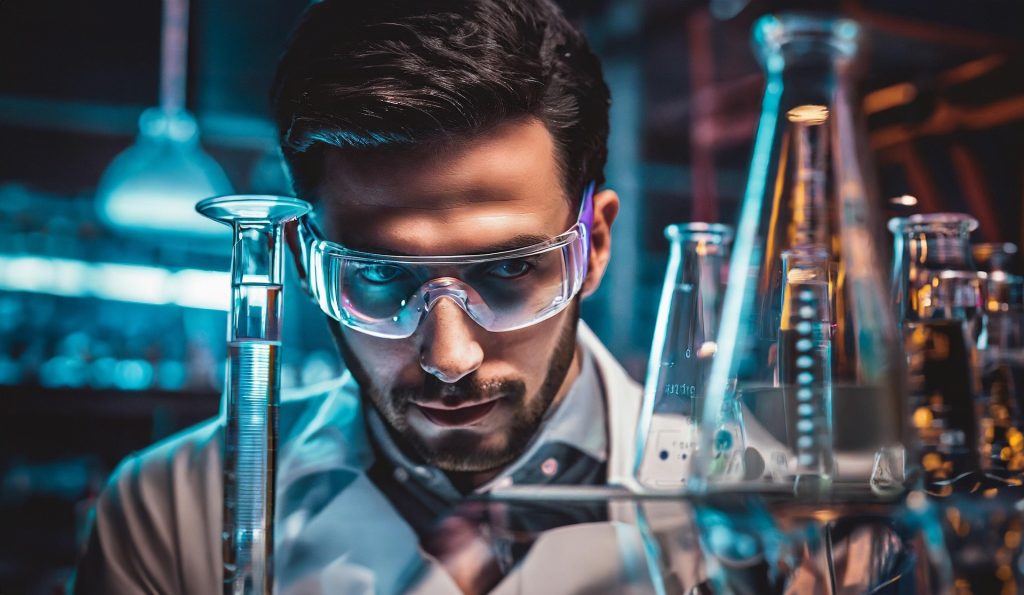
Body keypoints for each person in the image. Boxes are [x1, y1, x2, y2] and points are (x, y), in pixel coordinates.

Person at [73, 1, 641, 592]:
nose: (450, 358)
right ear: (302, 261)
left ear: (595, 247)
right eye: (379, 274)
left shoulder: (711, 510)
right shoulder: (169, 511)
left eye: (511, 268)